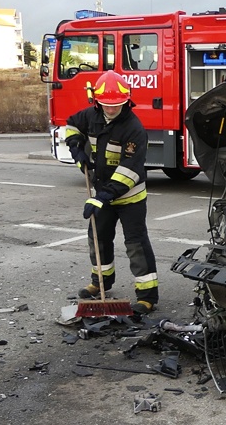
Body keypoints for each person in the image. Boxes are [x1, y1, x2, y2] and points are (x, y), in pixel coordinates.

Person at [64, 70, 158, 315]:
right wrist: (76, 149)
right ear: (97, 101)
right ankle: (101, 283)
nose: (111, 109)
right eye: (106, 104)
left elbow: (130, 170)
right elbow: (72, 124)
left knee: (135, 244)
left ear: (126, 100)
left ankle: (147, 296)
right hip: (101, 192)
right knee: (98, 238)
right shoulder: (92, 116)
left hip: (130, 197)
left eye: (116, 105)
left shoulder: (133, 128)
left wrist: (102, 197)